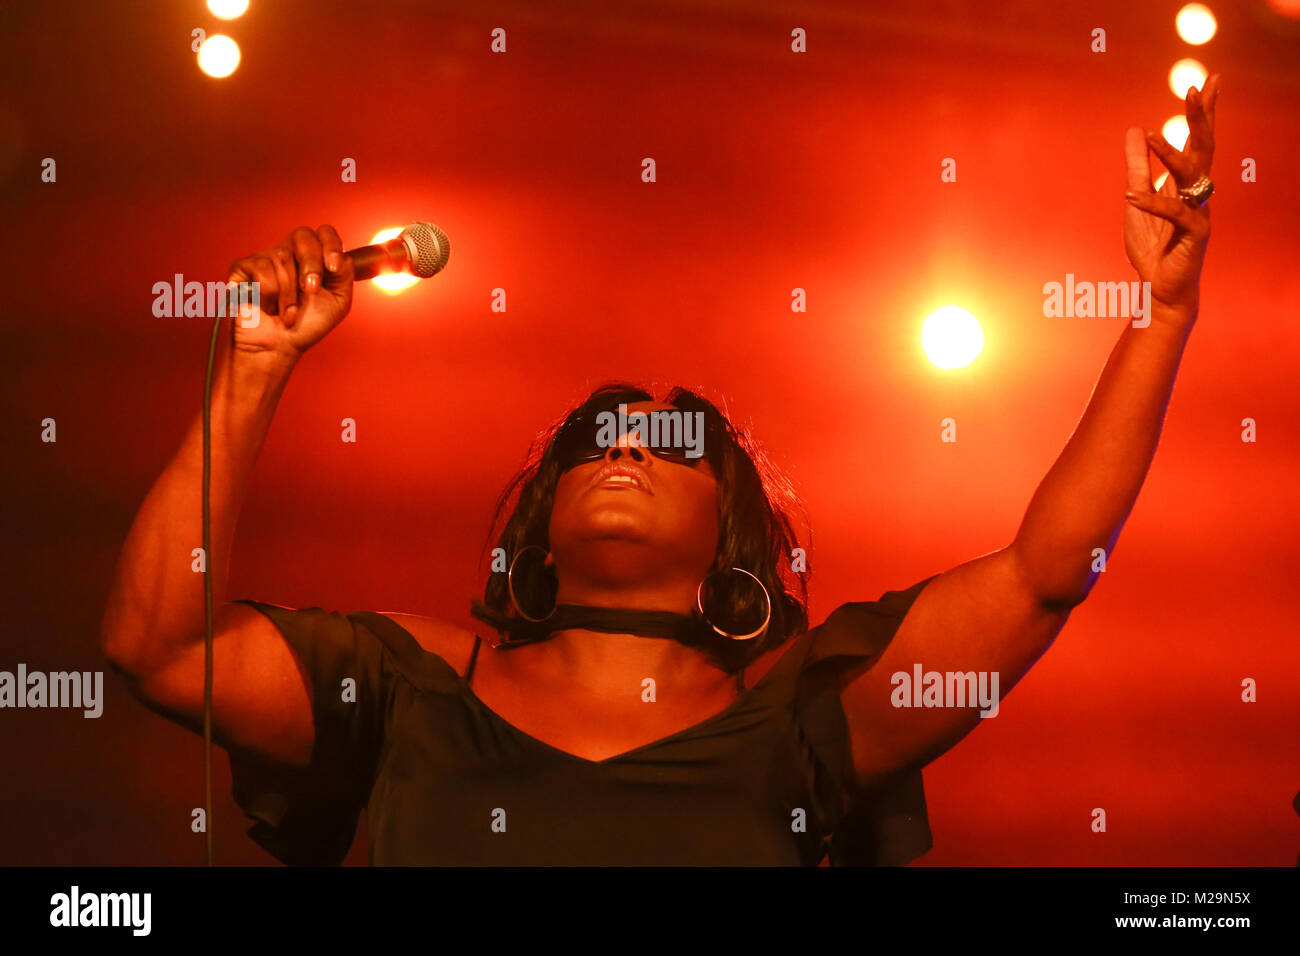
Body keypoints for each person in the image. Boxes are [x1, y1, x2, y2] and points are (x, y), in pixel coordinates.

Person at [100, 77, 1219, 865]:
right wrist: (249, 369)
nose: (625, 445)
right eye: (592, 436)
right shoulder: (408, 682)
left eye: (672, 439)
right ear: (538, 522)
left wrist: (1158, 314)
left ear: (733, 528)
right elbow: (157, 646)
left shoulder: (799, 718)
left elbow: (1044, 571)